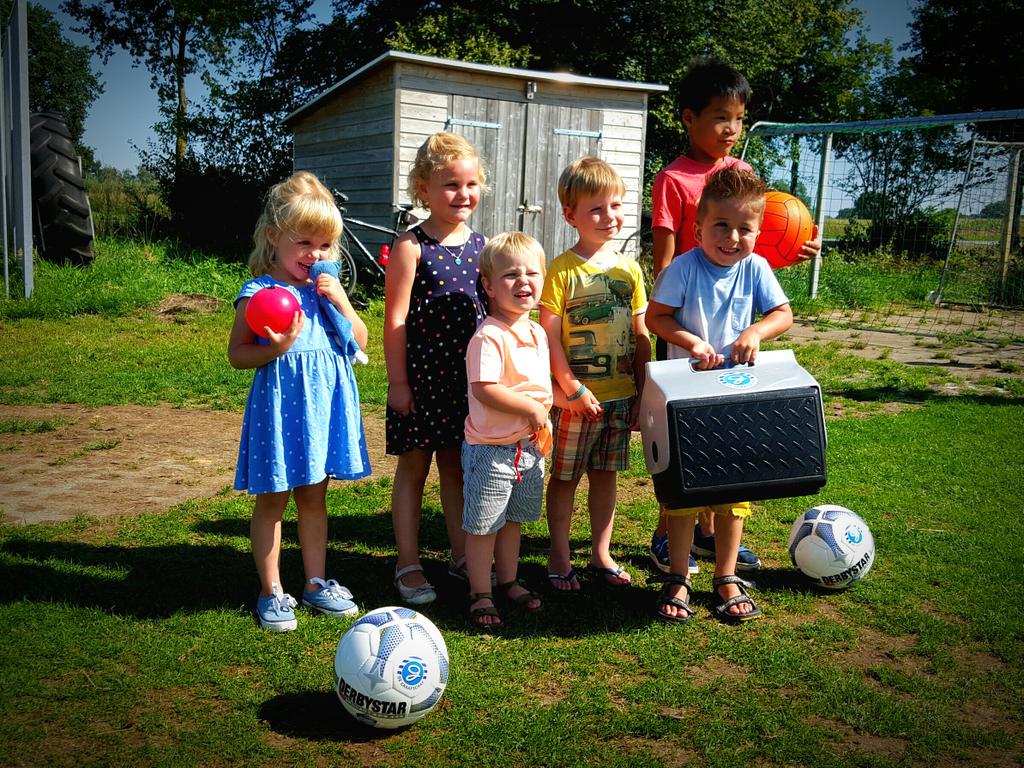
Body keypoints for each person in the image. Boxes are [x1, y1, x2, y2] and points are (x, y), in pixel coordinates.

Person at [647, 57, 821, 576]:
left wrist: (792, 249)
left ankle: (707, 538)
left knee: (724, 444)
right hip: (684, 332)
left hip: (734, 348)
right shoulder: (674, 179)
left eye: (739, 119)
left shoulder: (742, 176)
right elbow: (668, 258)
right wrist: (669, 314)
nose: (731, 129)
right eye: (720, 117)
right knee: (683, 443)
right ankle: (667, 534)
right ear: (688, 118)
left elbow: (752, 245)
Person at [646, 165, 794, 623]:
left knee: (734, 495)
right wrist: (689, 341)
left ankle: (725, 576)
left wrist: (756, 330)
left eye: (744, 228)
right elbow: (656, 318)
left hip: (737, 398)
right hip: (686, 399)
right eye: (721, 226)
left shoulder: (757, 267)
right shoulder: (682, 268)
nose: (732, 238)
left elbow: (783, 314)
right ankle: (678, 576)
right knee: (685, 495)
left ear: (758, 231)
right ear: (699, 228)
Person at [229, 170, 370, 632]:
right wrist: (275, 348)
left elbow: (360, 340)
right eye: (304, 243)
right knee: (273, 499)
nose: (315, 255)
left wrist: (343, 302)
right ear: (274, 237)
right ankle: (272, 591)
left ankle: (315, 582)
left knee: (314, 499)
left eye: (325, 245)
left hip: (323, 408)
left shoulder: (324, 292)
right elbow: (237, 354)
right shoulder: (261, 294)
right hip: (280, 409)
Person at [383, 132, 488, 605]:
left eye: (470, 184)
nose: (462, 195)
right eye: (450, 185)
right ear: (423, 189)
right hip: (422, 379)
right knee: (413, 468)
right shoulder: (412, 246)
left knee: (456, 468)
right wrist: (399, 382)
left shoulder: (484, 246)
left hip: (467, 381)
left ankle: (462, 555)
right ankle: (407, 561)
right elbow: (395, 319)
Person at [541, 157, 651, 592]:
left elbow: (641, 335)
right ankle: (559, 554)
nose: (611, 217)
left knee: (607, 477)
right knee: (565, 478)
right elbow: (548, 337)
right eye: (597, 209)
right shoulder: (561, 270)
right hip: (575, 402)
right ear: (571, 215)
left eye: (617, 205)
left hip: (622, 397)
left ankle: (601, 553)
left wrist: (643, 393)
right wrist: (569, 387)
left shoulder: (630, 269)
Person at [462, 232, 552, 628]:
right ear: (489, 285)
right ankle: (480, 592)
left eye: (532, 273)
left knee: (513, 520)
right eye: (511, 275)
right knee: (484, 525)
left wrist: (558, 404)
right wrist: (533, 409)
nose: (523, 281)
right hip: (491, 450)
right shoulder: (489, 335)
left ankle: (509, 580)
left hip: (527, 449)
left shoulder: (537, 333)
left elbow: (538, 388)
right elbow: (485, 389)